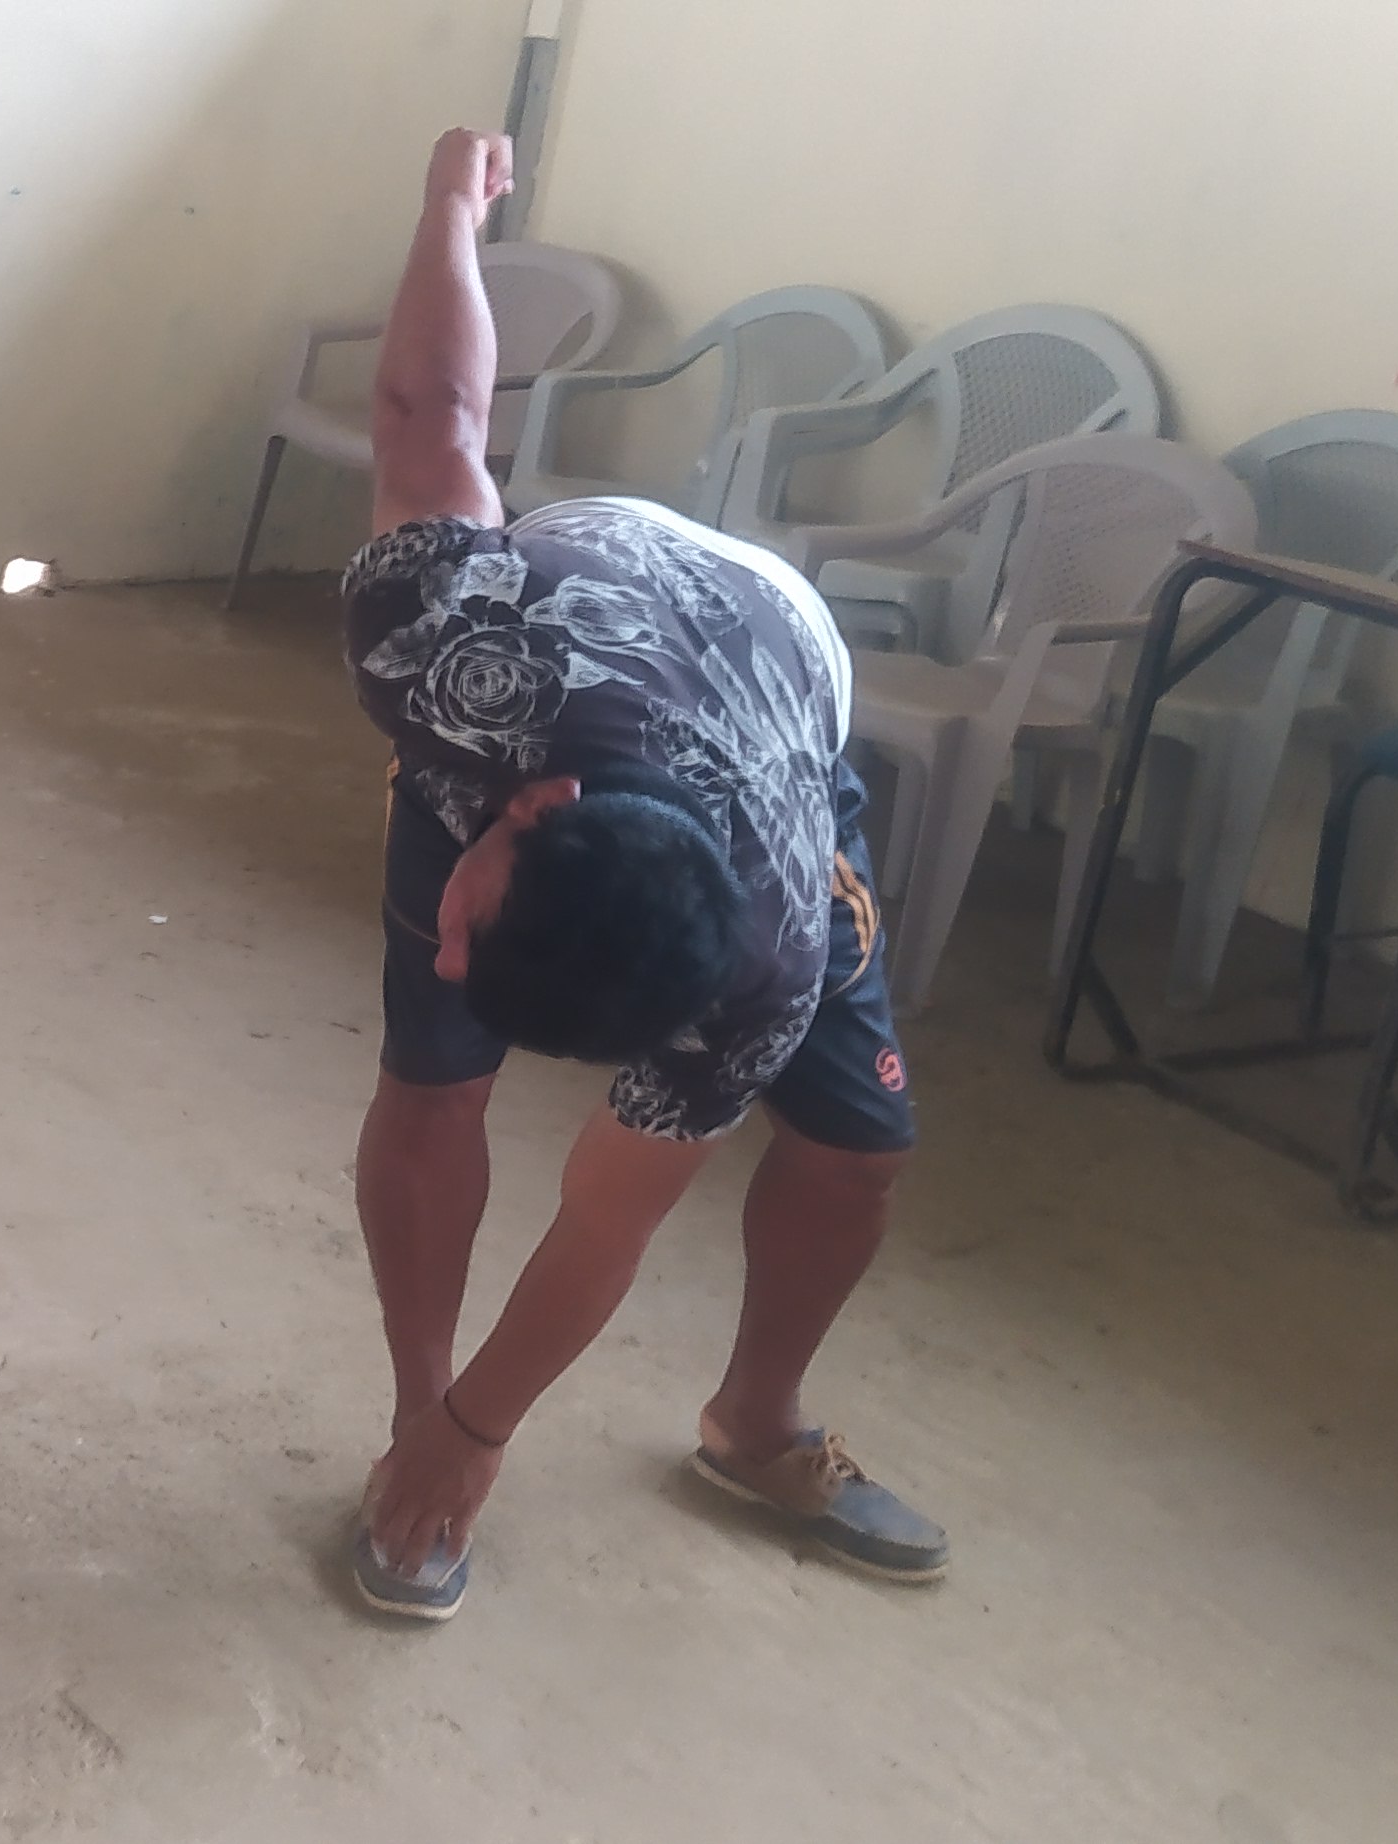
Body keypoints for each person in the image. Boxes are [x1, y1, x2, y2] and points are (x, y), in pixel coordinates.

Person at [338, 129, 947, 1618]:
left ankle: (755, 1426)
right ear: (524, 812)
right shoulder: (453, 651)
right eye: (476, 927)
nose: (446, 951)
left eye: (460, 938)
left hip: (776, 703)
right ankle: (406, 1413)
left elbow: (607, 1217)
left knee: (860, 1151)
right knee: (435, 1081)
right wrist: (451, 205)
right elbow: (433, 413)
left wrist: (489, 1434)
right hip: (590, 605)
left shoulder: (772, 954)